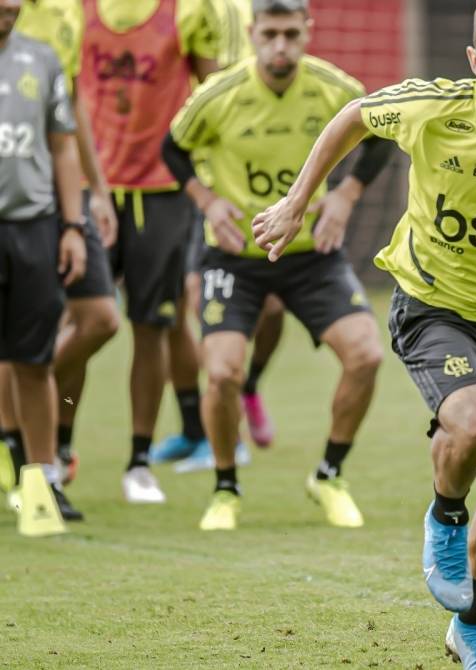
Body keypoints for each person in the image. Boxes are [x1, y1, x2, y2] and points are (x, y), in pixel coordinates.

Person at [253, 0, 476, 664]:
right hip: (432, 305)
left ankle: (471, 623)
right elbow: (352, 118)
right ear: (475, 60)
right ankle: (445, 514)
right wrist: (300, 199)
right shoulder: (432, 107)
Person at [162, 0, 389, 530]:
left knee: (367, 355)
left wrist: (347, 195)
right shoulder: (219, 93)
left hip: (311, 255)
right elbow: (172, 148)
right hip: (235, 256)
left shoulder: (334, 89)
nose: (281, 44)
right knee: (220, 373)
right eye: (271, 33)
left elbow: (379, 135)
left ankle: (329, 475)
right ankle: (225, 488)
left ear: (308, 31)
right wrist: (208, 201)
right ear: (253, 32)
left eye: (291, 32)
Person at [75, 0, 218, 503]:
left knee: (153, 325)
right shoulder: (75, 11)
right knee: (78, 321)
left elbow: (213, 97)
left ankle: (139, 462)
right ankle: (50, 448)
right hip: (89, 191)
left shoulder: (189, 12)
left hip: (162, 193)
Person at [0, 0, 120, 506]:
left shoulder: (43, 57)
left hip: (34, 228)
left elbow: (63, 144)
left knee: (33, 357)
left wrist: (74, 224)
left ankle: (40, 484)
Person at [154, 0, 283, 469]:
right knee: (173, 305)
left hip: (220, 176)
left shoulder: (221, 7)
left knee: (262, 303)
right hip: (167, 175)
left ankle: (237, 406)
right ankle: (198, 427)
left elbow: (221, 89)